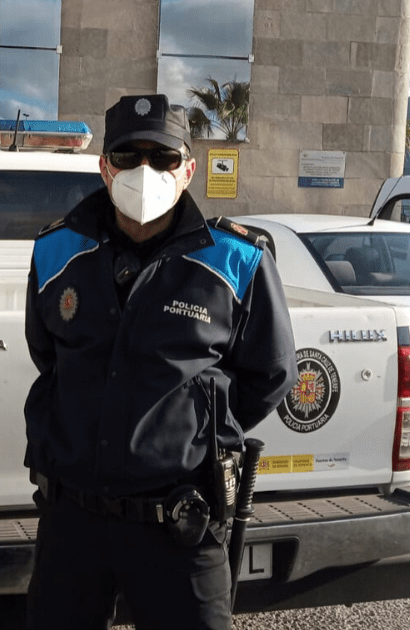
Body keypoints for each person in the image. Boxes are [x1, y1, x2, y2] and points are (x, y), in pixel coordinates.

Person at [23, 94, 298, 630]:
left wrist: (194, 428)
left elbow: (270, 373)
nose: (144, 171)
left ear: (188, 168)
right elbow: (47, 355)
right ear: (105, 167)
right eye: (128, 156)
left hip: (180, 523)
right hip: (72, 523)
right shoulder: (54, 252)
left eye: (163, 158)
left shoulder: (237, 259)